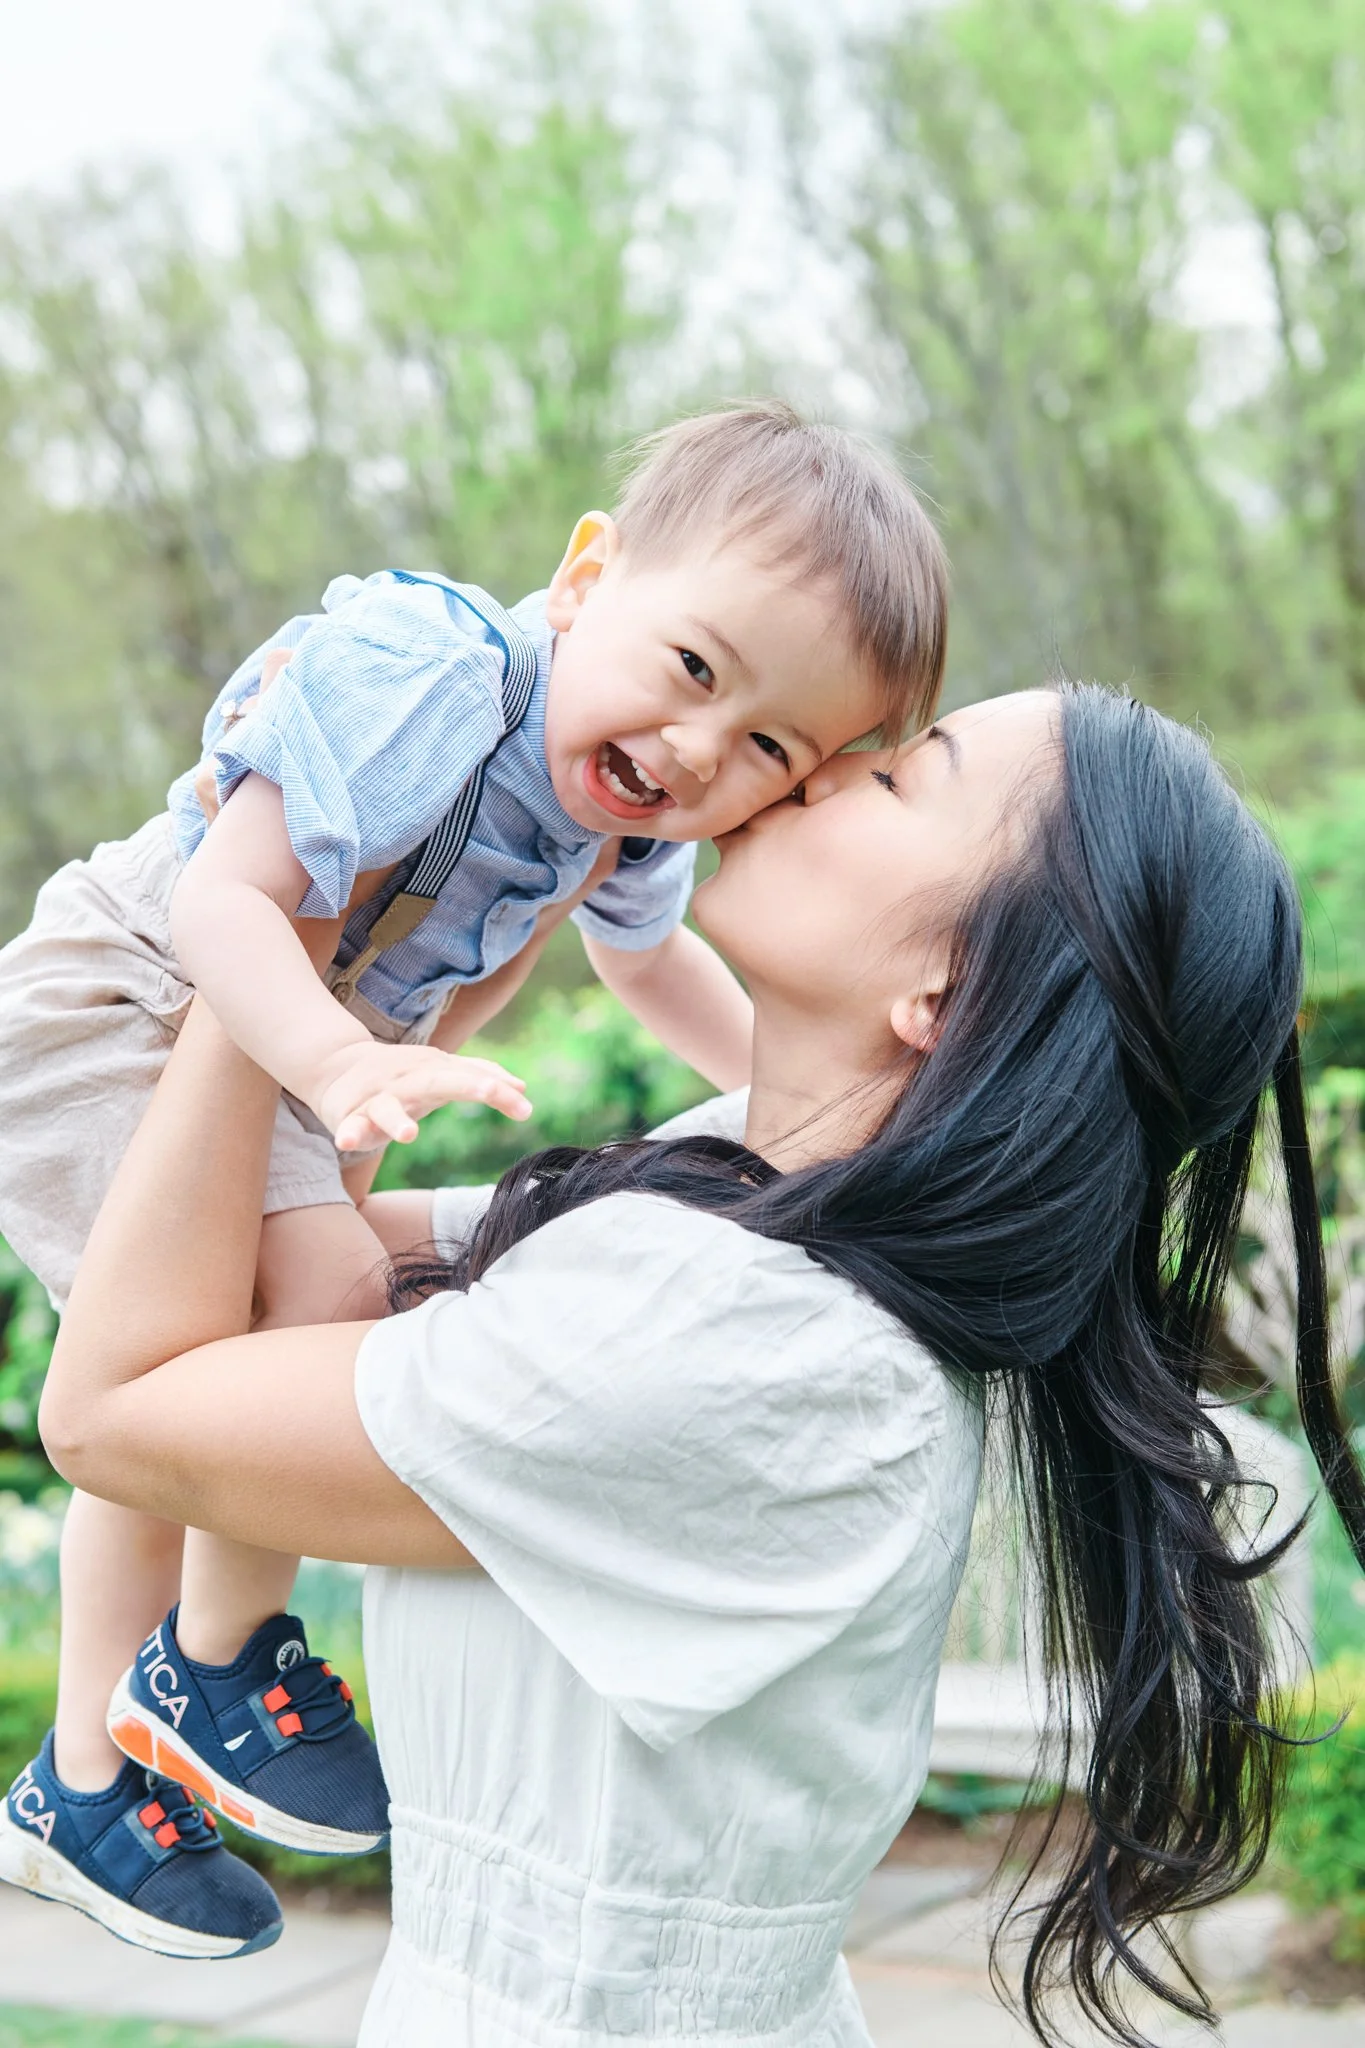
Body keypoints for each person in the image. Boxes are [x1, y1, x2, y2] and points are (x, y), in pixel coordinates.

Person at [19, 683, 1365, 2046]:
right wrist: (383, 989)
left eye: (904, 778)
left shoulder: (757, 1345)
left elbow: (120, 1410)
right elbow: (282, 1261)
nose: (825, 768)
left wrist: (268, 904)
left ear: (941, 992)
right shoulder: (745, 1192)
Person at [0, 400, 950, 1923]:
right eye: (692, 667)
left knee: (195, 1375)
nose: (696, 745)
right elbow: (221, 909)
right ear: (588, 576)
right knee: (304, 1311)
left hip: (292, 1063)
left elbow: (653, 973)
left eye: (766, 742)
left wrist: (819, 1107)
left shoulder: (624, 822)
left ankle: (87, 1785)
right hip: (123, 1006)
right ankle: (212, 1668)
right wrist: (336, 1064)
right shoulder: (436, 675)